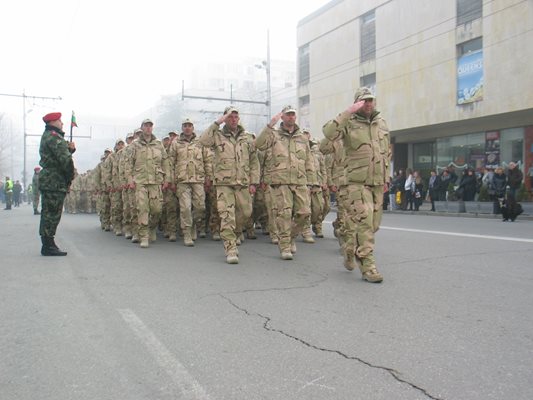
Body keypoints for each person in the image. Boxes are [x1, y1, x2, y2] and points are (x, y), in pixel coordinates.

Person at [322, 87, 391, 283]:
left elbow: (386, 153)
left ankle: (350, 248)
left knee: (374, 225)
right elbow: (327, 132)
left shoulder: (382, 124)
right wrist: (348, 112)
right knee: (365, 224)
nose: (368, 104)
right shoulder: (348, 123)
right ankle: (368, 267)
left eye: (371, 100)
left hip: (377, 183)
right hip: (356, 183)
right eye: (363, 101)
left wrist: (386, 178)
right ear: (357, 103)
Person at [199, 106, 259, 264]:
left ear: (238, 118)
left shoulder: (247, 137)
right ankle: (230, 248)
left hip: (243, 182)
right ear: (225, 118)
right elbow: (203, 141)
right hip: (224, 183)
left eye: (235, 117)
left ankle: (237, 232)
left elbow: (254, 161)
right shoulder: (217, 135)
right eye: (229, 117)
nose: (233, 119)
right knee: (227, 215)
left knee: (246, 213)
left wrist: (254, 181)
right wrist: (217, 122)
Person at [256, 105, 315, 260]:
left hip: (300, 180)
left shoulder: (302, 138)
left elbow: (308, 161)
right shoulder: (274, 135)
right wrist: (270, 125)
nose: (291, 117)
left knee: (304, 213)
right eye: (287, 115)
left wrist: (312, 182)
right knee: (285, 214)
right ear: (282, 117)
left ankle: (290, 237)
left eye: (293, 115)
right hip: (280, 181)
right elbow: (258, 144)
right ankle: (285, 246)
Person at [126, 119, 172, 248]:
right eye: (146, 126)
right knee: (142, 208)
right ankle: (144, 236)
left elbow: (165, 162)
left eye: (150, 126)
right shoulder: (134, 145)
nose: (148, 128)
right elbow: (128, 163)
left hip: (156, 181)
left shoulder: (158, 144)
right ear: (141, 128)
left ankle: (152, 227)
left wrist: (167, 179)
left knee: (157, 209)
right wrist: (130, 180)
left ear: (152, 128)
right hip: (140, 181)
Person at [168, 118, 211, 246]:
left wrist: (208, 177)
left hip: (198, 179)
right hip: (182, 180)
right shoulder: (176, 143)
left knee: (200, 207)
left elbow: (207, 160)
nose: (187, 128)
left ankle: (192, 224)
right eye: (185, 125)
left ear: (193, 128)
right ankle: (187, 233)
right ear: (182, 128)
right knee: (185, 208)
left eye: (190, 125)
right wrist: (171, 180)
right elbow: (170, 162)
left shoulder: (200, 142)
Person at [38, 112, 76, 256]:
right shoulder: (54, 137)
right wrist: (69, 177)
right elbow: (65, 160)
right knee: (51, 213)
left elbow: (59, 156)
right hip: (54, 181)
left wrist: (70, 149)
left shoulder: (50, 136)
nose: (62, 123)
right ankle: (48, 245)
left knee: (49, 212)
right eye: (59, 120)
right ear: (53, 122)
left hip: (51, 180)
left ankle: (48, 243)